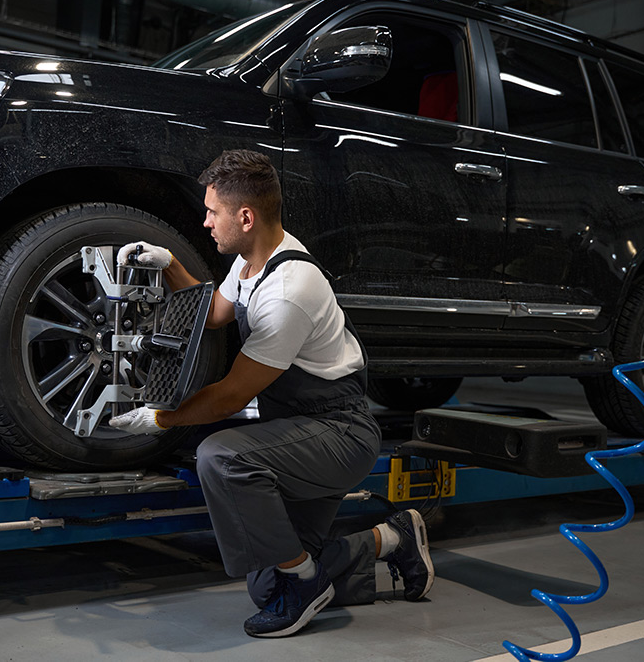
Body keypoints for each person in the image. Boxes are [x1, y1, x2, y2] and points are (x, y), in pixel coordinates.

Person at [109, 149, 434, 638]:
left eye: (212, 212)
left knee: (220, 455)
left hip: (337, 432)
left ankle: (306, 584)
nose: (204, 221)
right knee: (267, 584)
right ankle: (392, 539)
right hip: (297, 426)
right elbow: (215, 313)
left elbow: (230, 397)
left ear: (245, 216)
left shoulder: (287, 290)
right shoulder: (252, 262)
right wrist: (170, 263)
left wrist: (160, 419)